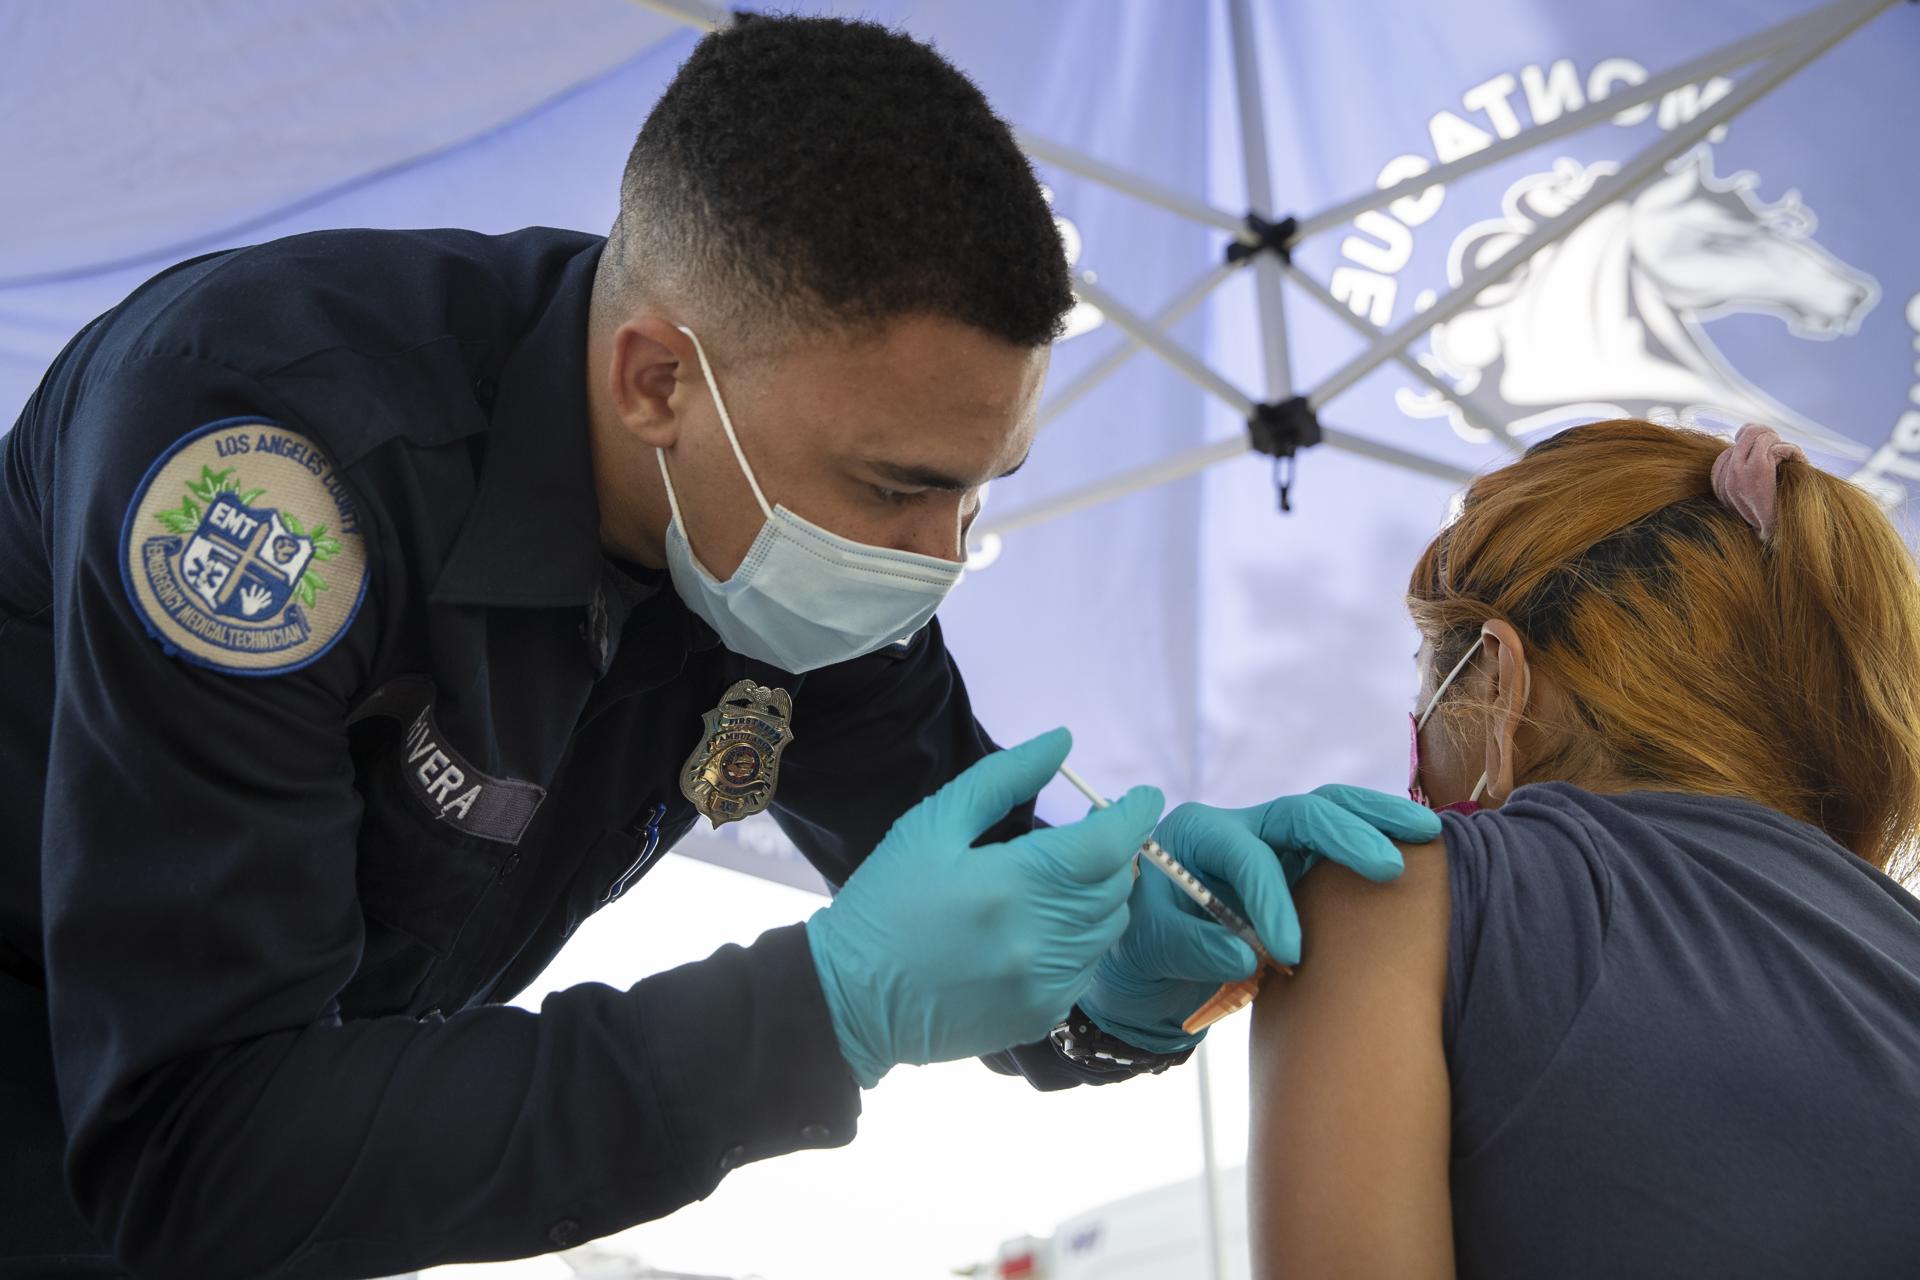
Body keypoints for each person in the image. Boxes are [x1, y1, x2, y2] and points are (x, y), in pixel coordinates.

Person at [0, 15, 1437, 1277]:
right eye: (895, 485)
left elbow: (970, 888)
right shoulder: (272, 464)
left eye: (979, 486)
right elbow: (192, 1150)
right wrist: (813, 1014)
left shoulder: (786, 542)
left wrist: (1123, 959)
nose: (939, 556)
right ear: (656, 381)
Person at [1243, 420, 1920, 1278]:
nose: (1413, 754)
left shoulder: (1390, 893)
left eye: (1424, 689)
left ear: (1498, 680)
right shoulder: (1894, 943)